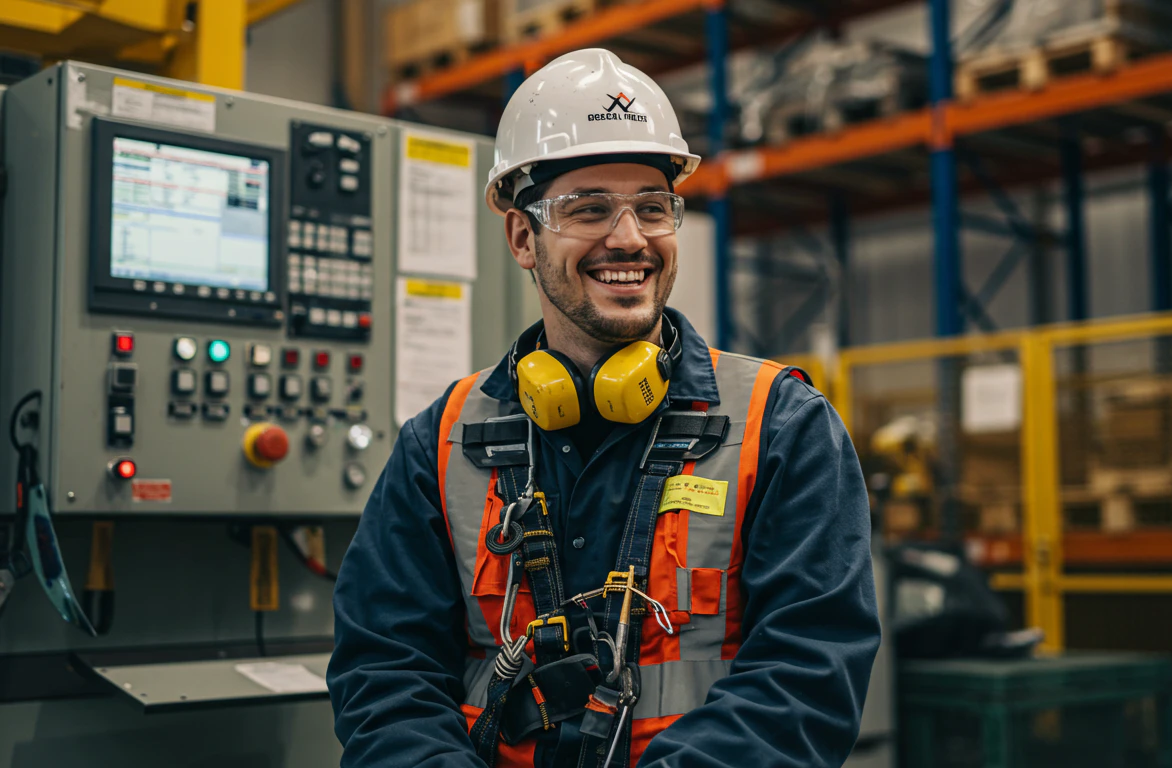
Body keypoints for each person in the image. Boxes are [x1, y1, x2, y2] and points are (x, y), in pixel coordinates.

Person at [328, 48, 880, 768]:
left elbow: (808, 679)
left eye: (653, 207)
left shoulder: (783, 427)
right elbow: (384, 675)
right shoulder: (443, 441)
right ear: (523, 237)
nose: (629, 238)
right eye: (588, 208)